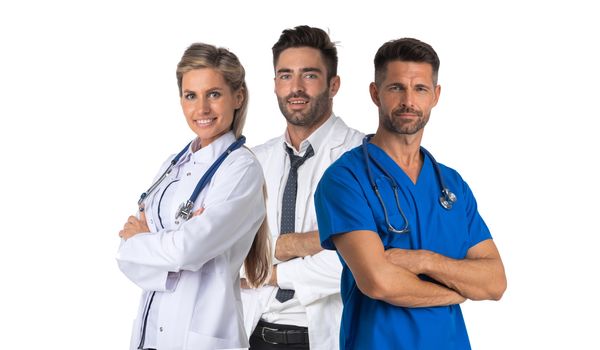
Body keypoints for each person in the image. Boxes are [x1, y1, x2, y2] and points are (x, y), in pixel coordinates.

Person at [314, 38, 507, 349]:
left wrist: (424, 261)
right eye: (396, 88)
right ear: (375, 93)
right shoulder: (345, 180)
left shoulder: (452, 185)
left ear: (436, 95)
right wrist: (460, 290)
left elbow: (495, 281)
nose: (408, 101)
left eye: (420, 89)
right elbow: (378, 282)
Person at [116, 43, 271, 350]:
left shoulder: (241, 169)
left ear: (237, 97)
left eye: (213, 94)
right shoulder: (172, 164)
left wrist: (148, 241)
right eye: (191, 96)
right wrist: (168, 245)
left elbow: (188, 249)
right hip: (150, 333)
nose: (201, 109)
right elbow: (125, 253)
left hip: (201, 334)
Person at [241, 26, 364, 350]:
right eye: (285, 76)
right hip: (251, 332)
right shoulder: (252, 160)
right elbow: (226, 252)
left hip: (324, 337)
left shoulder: (364, 157)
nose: (295, 88)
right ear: (274, 85)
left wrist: (271, 273)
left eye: (309, 75)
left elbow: (362, 261)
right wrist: (295, 244)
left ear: (333, 84)